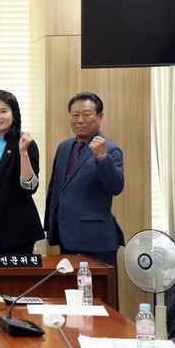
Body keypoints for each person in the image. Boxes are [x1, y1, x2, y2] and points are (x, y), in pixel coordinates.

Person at [44, 92, 125, 267]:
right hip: (66, 237)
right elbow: (56, 190)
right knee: (70, 284)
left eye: (86, 114)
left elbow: (116, 187)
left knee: (98, 285)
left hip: (95, 240)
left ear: (100, 117)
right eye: (75, 115)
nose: (80, 120)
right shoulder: (64, 147)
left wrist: (102, 157)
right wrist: (50, 225)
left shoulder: (111, 149)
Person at [0, 90, 44, 256]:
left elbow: (30, 187)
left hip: (17, 225)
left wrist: (23, 153)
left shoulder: (25, 143)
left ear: (14, 115)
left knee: (17, 273)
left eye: (3, 111)